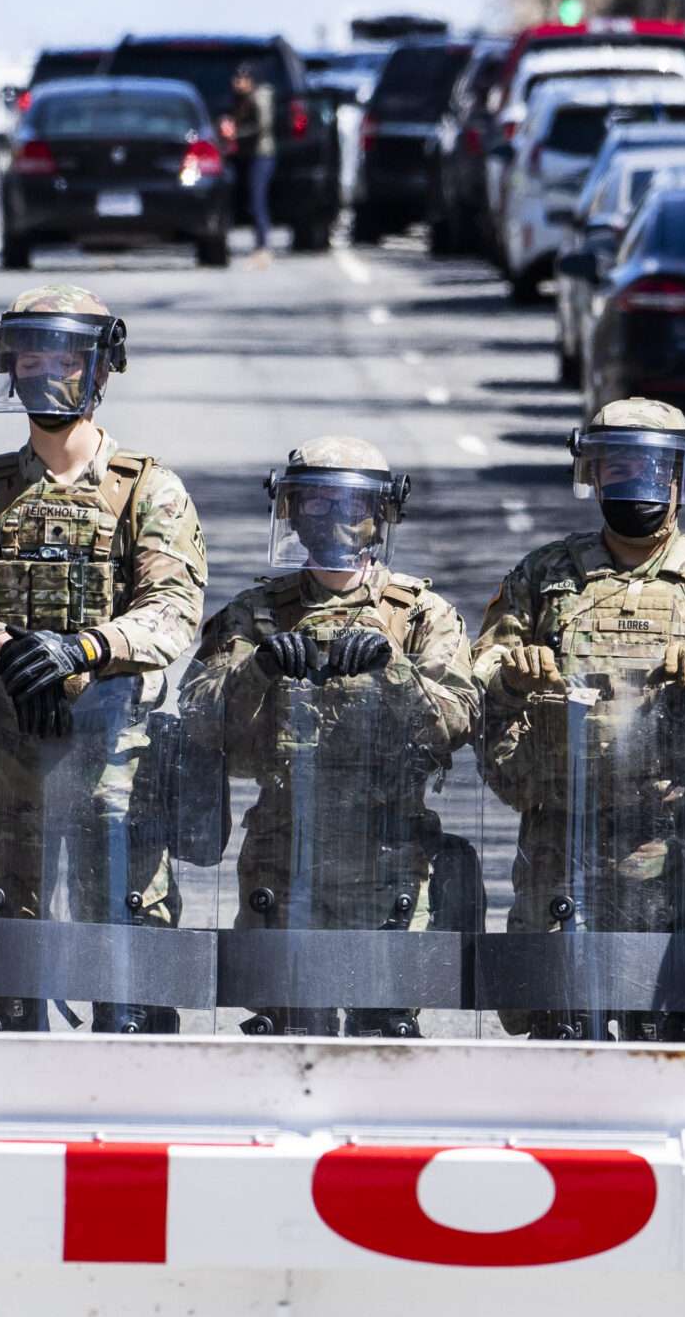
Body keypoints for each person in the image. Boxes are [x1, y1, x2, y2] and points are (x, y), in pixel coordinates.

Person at [0, 283, 207, 1033]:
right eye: (30, 356)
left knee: (124, 965)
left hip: (117, 754)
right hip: (5, 750)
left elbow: (173, 612)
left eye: (66, 357)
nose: (47, 372)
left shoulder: (149, 489)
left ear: (101, 369)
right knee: (2, 963)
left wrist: (85, 648)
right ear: (8, 368)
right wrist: (6, 647)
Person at [472, 398, 685, 1042]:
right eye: (619, 469)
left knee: (670, 1025)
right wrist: (514, 669)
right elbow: (476, 676)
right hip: (561, 834)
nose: (635, 486)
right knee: (556, 1019)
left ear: (684, 477)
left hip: (674, 841)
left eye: (652, 471)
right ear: (594, 475)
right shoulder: (547, 574)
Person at [180, 436, 477, 1036]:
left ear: (381, 514)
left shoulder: (420, 616)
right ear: (290, 510)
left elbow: (457, 722)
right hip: (283, 852)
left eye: (350, 504)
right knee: (288, 1028)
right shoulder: (256, 614)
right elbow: (196, 717)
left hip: (391, 854)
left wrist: (392, 668)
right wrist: (256, 670)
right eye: (314, 503)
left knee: (385, 1031)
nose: (332, 518)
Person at [228, 63, 276, 262]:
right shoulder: (239, 100)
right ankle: (259, 244)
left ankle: (263, 246)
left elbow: (261, 127)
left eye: (242, 80)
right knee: (250, 200)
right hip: (247, 155)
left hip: (262, 154)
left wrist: (235, 135)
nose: (238, 84)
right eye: (236, 79)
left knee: (258, 200)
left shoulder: (259, 99)